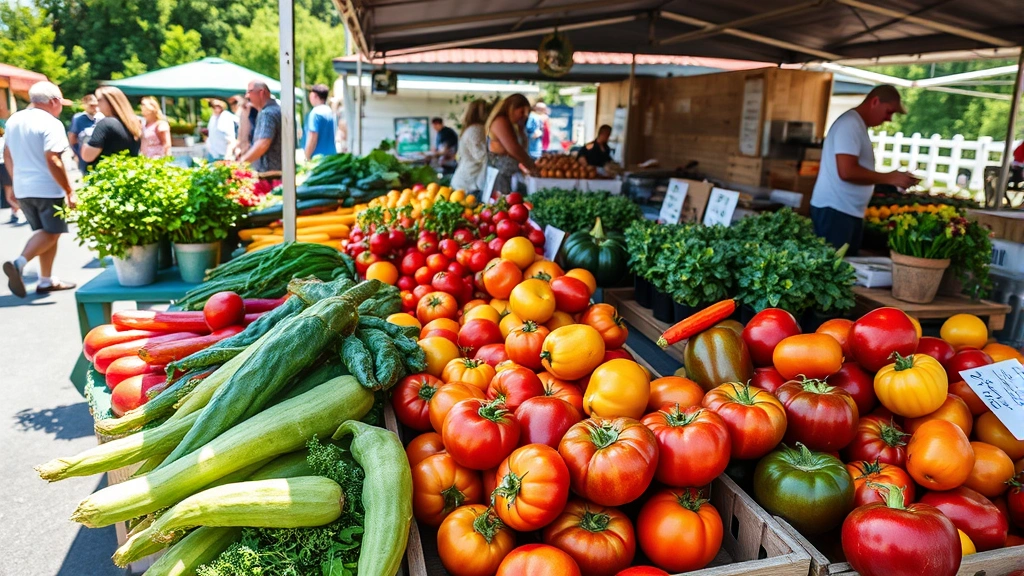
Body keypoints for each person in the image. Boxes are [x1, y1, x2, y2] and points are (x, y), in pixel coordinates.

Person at [810, 85, 919, 255]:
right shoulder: (850, 124)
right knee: (836, 270)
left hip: (846, 211)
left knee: (847, 268)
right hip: (835, 211)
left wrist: (890, 180)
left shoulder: (857, 125)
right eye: (889, 111)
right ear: (875, 102)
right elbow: (846, 171)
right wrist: (888, 178)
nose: (889, 119)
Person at [2, 82, 77, 297]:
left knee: (45, 233)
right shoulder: (51, 123)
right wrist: (69, 190)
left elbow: (7, 153)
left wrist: (14, 182)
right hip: (46, 187)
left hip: (23, 187)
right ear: (53, 101)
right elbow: (53, 159)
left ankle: (46, 280)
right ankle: (19, 263)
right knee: (52, 232)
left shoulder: (15, 119)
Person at [80, 86, 141, 170]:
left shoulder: (105, 124)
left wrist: (85, 141)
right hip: (129, 173)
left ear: (110, 101)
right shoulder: (134, 124)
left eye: (99, 100)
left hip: (107, 176)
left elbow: (87, 156)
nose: (96, 104)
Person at [486, 93, 537, 195]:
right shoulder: (500, 121)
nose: (524, 115)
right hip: (500, 175)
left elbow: (523, 147)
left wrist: (522, 126)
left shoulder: (514, 124)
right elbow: (514, 149)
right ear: (512, 108)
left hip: (509, 175)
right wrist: (532, 167)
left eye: (527, 113)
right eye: (522, 112)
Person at [239, 81, 282, 173]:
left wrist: (242, 163)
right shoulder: (277, 109)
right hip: (280, 173)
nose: (247, 96)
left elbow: (263, 143)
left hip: (270, 175)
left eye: (249, 92)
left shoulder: (267, 113)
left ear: (261, 92)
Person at [450, 99, 490, 192]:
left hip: (465, 181)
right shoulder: (476, 129)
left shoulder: (471, 129)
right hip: (469, 184)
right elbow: (481, 156)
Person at [68, 93, 103, 175]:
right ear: (85, 105)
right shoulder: (79, 119)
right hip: (84, 154)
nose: (95, 108)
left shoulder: (101, 117)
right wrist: (77, 153)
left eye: (96, 105)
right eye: (92, 105)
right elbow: (72, 137)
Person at [303, 84, 337, 160]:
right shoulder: (329, 111)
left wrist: (307, 156)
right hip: (331, 157)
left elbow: (313, 136)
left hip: (318, 159)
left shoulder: (315, 113)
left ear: (314, 96)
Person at [0, 117, 19, 224]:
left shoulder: (4, 141)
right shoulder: (6, 140)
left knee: (9, 194)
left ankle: (18, 211)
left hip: (3, 166)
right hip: (5, 166)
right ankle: (16, 212)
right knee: (10, 194)